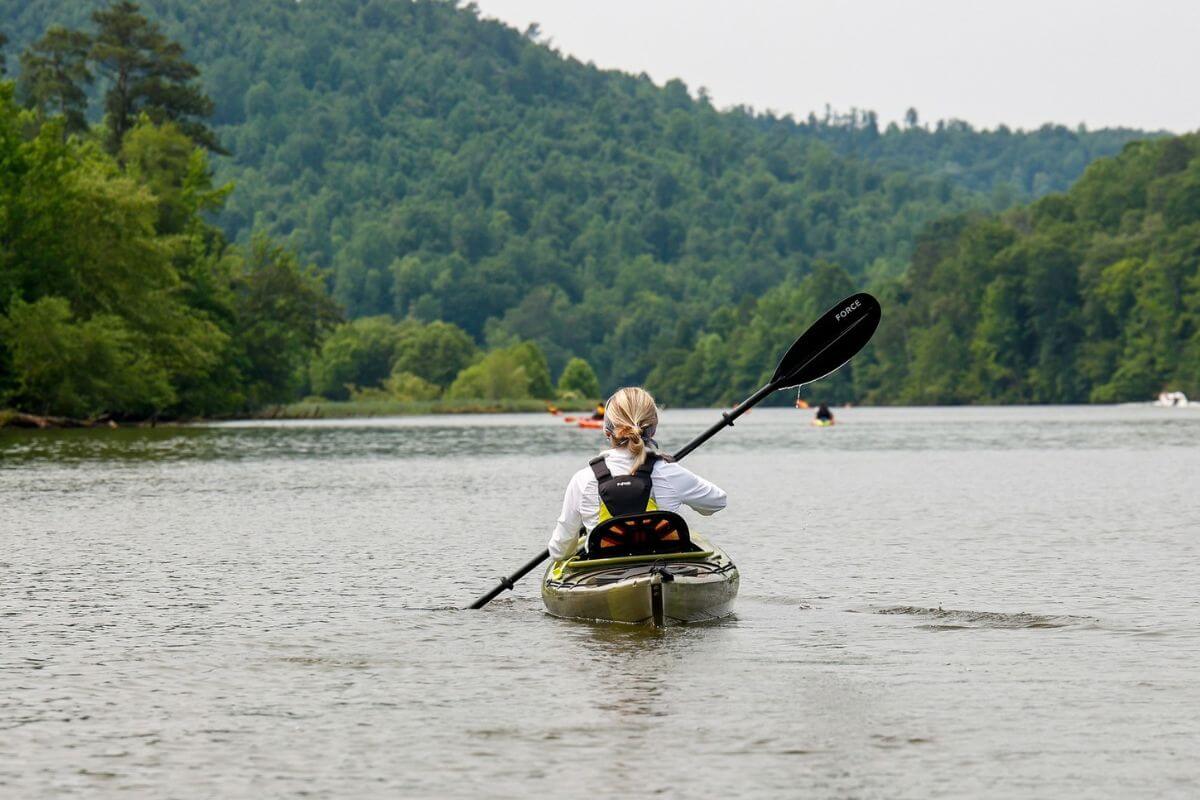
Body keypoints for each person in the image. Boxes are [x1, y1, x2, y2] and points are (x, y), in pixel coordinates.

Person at [547, 387, 727, 562]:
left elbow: (559, 551)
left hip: (603, 574)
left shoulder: (584, 479)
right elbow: (718, 501)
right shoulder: (668, 472)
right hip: (665, 567)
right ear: (653, 429)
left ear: (606, 431)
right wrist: (675, 471)